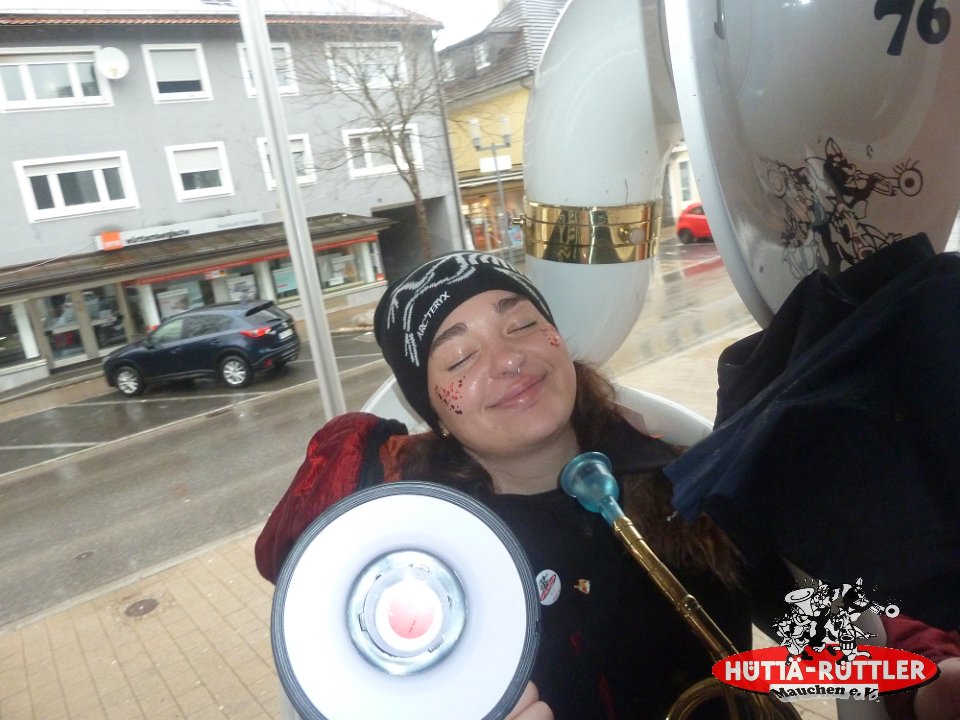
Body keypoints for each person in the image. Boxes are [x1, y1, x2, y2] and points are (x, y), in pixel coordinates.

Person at [256, 250, 751, 719]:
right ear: (434, 412)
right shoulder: (433, 575)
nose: (509, 359)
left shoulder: (686, 482)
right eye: (459, 358)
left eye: (522, 325)